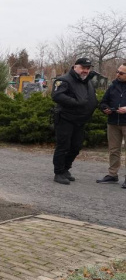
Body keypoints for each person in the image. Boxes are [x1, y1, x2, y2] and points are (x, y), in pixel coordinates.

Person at [51, 57, 98, 185]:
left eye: (88, 68)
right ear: (75, 67)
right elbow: (57, 95)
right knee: (63, 146)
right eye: (83, 68)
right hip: (65, 118)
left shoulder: (86, 81)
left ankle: (66, 169)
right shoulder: (64, 80)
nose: (85, 71)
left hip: (80, 120)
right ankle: (59, 172)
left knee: (76, 146)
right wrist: (76, 103)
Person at [96, 63, 126, 187]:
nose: (117, 74)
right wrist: (105, 108)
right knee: (113, 150)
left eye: (121, 73)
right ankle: (112, 175)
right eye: (117, 71)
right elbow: (103, 101)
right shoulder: (113, 85)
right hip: (113, 122)